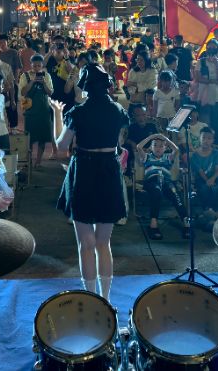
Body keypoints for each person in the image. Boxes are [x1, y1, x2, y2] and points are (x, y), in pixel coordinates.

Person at [54, 63, 129, 301]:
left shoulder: (78, 112)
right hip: (108, 170)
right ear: (107, 85)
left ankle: (92, 299)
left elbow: (61, 145)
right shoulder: (118, 109)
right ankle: (105, 299)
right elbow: (118, 143)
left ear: (85, 87)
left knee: (86, 243)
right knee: (103, 243)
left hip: (85, 171)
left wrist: (57, 114)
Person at [135, 132, 189, 241]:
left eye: (161, 146)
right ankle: (153, 224)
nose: (158, 148)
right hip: (152, 181)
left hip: (166, 182)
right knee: (156, 192)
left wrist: (165, 139)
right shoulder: (147, 157)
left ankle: (186, 223)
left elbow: (176, 149)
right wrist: (151, 137)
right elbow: (139, 147)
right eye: (155, 145)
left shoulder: (167, 158)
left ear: (165, 148)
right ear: (151, 148)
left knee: (175, 194)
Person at [20, 54, 55, 167]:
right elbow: (23, 92)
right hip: (30, 111)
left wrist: (43, 83)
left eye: (39, 66)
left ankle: (38, 161)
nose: (37, 68)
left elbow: (50, 93)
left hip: (44, 110)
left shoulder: (47, 76)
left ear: (42, 65)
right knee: (29, 138)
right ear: (31, 65)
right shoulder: (25, 75)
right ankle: (29, 160)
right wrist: (32, 81)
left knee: (42, 137)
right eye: (34, 66)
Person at [190, 127, 218, 212]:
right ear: (199, 139)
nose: (206, 141)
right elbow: (200, 171)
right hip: (201, 179)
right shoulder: (195, 155)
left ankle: (210, 209)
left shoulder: (216, 153)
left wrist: (212, 179)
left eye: (209, 138)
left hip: (215, 178)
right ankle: (209, 209)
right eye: (203, 138)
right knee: (204, 189)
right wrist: (207, 180)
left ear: (213, 140)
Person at [195, 45, 218, 140]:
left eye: (214, 47)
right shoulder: (201, 62)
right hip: (204, 97)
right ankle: (204, 144)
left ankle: (216, 144)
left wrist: (217, 63)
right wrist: (211, 81)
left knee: (217, 124)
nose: (211, 49)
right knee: (205, 123)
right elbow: (198, 78)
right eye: (209, 47)